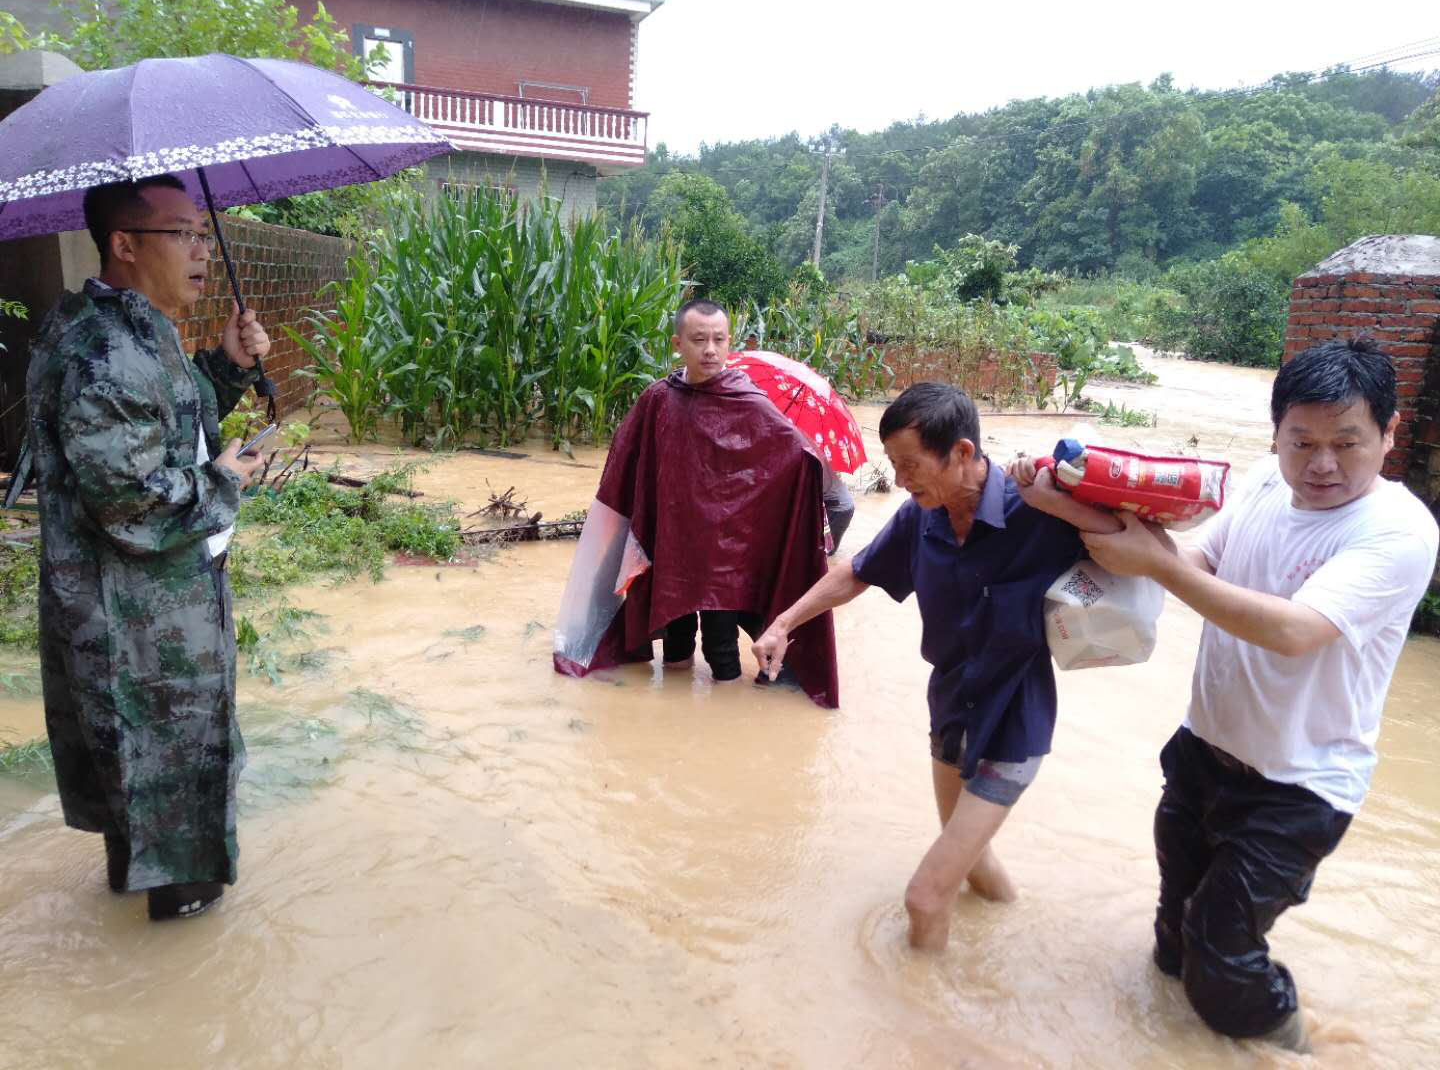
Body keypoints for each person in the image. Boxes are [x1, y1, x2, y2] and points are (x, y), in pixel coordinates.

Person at [1064, 337, 1439, 1052]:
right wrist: (1108, 529)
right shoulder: (1268, 481)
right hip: (1205, 749)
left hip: (1300, 787)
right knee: (1174, 939)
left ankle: (1301, 1042)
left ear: (1390, 436)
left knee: (1221, 954)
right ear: (1276, 435)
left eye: (1347, 443)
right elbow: (1203, 559)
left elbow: (1296, 631)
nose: (1321, 464)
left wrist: (1158, 567)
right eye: (1301, 441)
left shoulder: (1397, 532)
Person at [751, 382, 1121, 950]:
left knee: (925, 896)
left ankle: (927, 1019)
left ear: (963, 453)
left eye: (910, 465)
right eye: (893, 465)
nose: (900, 480)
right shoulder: (920, 518)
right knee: (969, 859)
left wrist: (1059, 502)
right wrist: (783, 624)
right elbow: (856, 574)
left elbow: (1136, 548)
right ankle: (1015, 933)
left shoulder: (1036, 511)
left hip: (1013, 723)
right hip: (950, 708)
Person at [25, 174, 271, 920]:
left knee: (148, 806)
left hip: (154, 612)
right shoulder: (104, 349)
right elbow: (129, 500)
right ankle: (183, 970)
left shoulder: (134, 330)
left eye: (201, 235)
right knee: (174, 809)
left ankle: (151, 946)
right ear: (124, 244)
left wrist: (225, 366)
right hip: (140, 628)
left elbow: (167, 424)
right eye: (181, 234)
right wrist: (226, 480)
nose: (200, 250)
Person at [554, 298, 839, 706]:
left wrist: (813, 471)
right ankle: (678, 722)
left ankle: (721, 726)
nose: (710, 349)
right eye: (699, 339)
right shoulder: (658, 399)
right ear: (678, 344)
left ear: (729, 343)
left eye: (719, 340)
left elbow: (794, 452)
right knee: (675, 645)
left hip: (725, 555)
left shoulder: (747, 398)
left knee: (722, 652)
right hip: (672, 546)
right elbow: (625, 460)